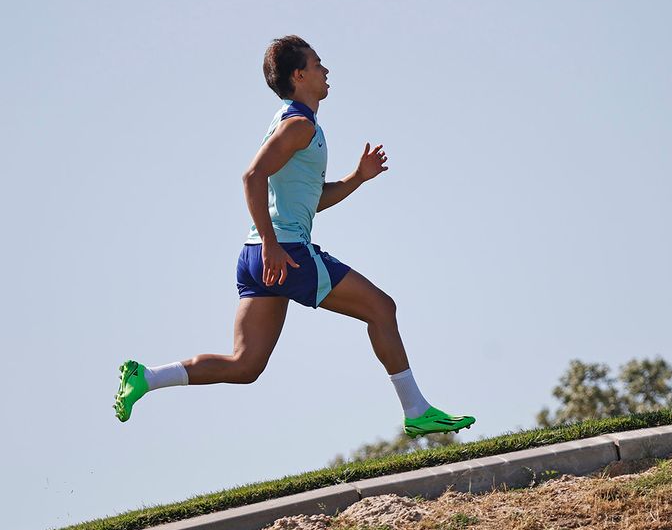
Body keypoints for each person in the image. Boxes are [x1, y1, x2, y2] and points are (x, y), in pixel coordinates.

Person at [112, 35, 475, 439]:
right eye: (319, 64)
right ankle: (416, 410)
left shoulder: (292, 122)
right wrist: (272, 245)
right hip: (282, 250)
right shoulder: (298, 125)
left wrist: (357, 178)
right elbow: (252, 176)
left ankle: (146, 378)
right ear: (299, 75)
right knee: (382, 308)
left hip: (256, 253)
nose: (326, 71)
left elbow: (310, 200)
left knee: (245, 365)